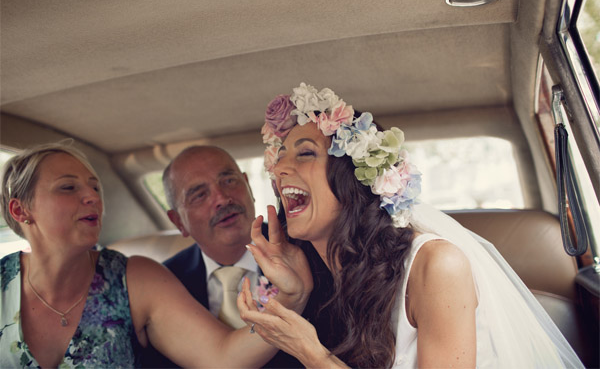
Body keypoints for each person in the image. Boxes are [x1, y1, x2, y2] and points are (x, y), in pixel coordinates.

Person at [237, 83, 584, 368]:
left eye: (306, 153)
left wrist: (312, 353)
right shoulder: (320, 279)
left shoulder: (437, 265)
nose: (279, 168)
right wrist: (295, 293)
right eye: (280, 156)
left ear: (352, 180)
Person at [0, 142, 311, 368]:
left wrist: (290, 298)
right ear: (20, 210)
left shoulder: (136, 279)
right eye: (68, 187)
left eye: (95, 187)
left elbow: (222, 357)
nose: (91, 196)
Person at [141, 145, 342, 368]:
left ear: (248, 185)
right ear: (178, 221)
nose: (221, 199)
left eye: (229, 181)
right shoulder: (166, 284)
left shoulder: (312, 254)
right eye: (199, 194)